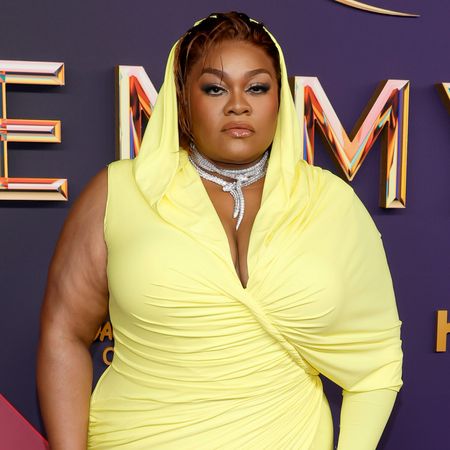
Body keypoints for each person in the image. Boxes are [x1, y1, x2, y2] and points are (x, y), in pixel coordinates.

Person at [37, 11, 403, 450]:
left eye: (257, 87)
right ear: (181, 99)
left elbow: (377, 364)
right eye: (214, 87)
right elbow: (64, 334)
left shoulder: (332, 203)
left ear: (279, 99)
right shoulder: (118, 192)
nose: (238, 104)